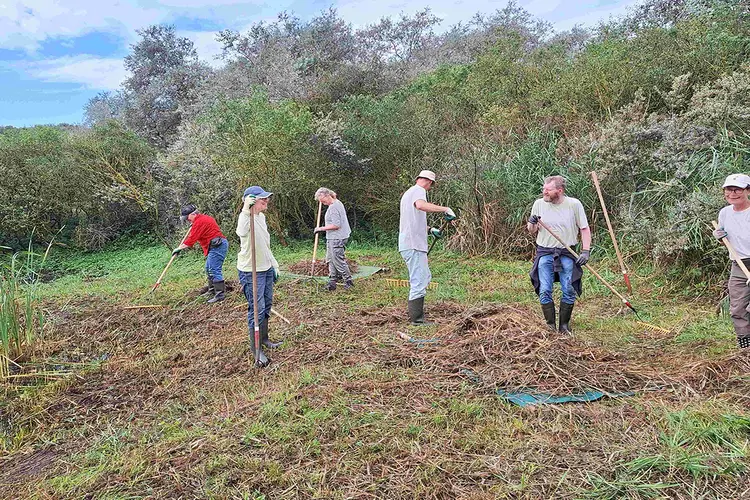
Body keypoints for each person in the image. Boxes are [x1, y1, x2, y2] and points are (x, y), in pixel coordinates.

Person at [527, 175, 591, 334]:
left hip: (566, 253)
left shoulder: (574, 204)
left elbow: (584, 228)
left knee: (568, 289)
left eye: (548, 190)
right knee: (545, 289)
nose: (544, 192)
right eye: (543, 189)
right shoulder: (539, 204)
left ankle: (564, 326)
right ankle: (550, 326)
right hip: (545, 252)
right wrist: (532, 222)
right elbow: (531, 230)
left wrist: (585, 250)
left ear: (559, 191)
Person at [399, 170, 456, 325]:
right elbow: (421, 205)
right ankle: (417, 319)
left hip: (410, 242)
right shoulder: (418, 191)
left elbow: (413, 220)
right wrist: (445, 209)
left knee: (423, 276)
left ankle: (417, 316)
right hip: (414, 244)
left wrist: (430, 230)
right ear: (429, 182)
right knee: (419, 279)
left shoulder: (408, 193)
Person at [237, 186, 282, 366]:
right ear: (252, 201)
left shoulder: (261, 218)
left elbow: (265, 244)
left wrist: (274, 263)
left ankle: (264, 339)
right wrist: (245, 210)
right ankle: (256, 349)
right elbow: (241, 232)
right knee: (257, 308)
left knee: (267, 305)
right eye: (262, 199)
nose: (266, 201)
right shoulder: (246, 218)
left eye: (266, 198)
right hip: (251, 270)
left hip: (265, 268)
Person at [713, 173, 750, 349]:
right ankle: (745, 346)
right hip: (738, 265)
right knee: (737, 308)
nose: (732, 193)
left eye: (738, 189)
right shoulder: (725, 213)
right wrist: (719, 236)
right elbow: (725, 239)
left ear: (747, 191)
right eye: (729, 189)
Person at [173, 204, 229, 303]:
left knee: (214, 269)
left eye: (187, 218)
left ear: (192, 214)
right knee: (208, 268)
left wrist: (179, 248)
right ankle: (212, 290)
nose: (187, 220)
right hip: (214, 245)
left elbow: (191, 240)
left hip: (218, 245)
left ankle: (220, 295)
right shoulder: (202, 219)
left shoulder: (199, 222)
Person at [313, 187, 353, 291]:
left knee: (337, 260)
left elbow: (336, 225)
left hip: (337, 237)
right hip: (332, 237)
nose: (322, 203)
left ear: (327, 195)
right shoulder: (336, 203)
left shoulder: (334, 207)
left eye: (322, 200)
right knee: (330, 259)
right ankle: (332, 282)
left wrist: (320, 228)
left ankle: (348, 281)